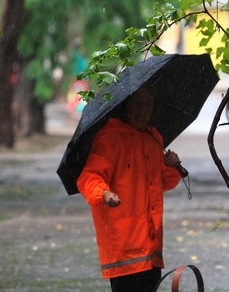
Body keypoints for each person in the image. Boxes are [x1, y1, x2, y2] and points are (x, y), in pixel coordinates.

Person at [76, 84, 182, 292]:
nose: (141, 110)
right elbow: (89, 177)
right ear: (125, 107)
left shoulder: (154, 138)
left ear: (153, 109)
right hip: (123, 249)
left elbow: (163, 182)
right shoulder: (110, 138)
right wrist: (104, 194)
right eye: (136, 104)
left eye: (147, 104)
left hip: (151, 248)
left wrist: (172, 166)